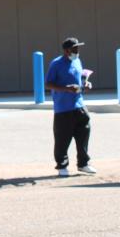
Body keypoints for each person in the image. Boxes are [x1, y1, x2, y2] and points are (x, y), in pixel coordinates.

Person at [44, 37, 96, 177]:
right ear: (67, 50)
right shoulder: (56, 64)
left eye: (78, 48)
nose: (77, 51)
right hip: (63, 108)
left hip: (79, 105)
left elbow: (80, 79)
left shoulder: (77, 61)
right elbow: (48, 84)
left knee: (83, 135)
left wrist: (86, 85)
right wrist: (65, 89)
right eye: (74, 49)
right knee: (62, 139)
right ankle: (62, 166)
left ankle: (83, 164)